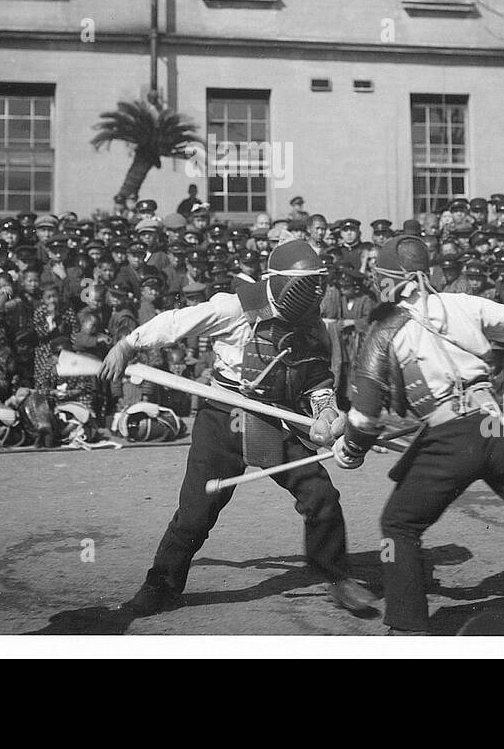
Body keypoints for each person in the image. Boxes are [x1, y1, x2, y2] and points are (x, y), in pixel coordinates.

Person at [99, 239, 376, 618]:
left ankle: (336, 574)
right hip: (221, 418)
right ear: (278, 281)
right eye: (304, 283)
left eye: (316, 283)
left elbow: (317, 381)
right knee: (195, 514)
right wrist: (128, 344)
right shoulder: (234, 308)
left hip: (274, 419)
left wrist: (326, 412)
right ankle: (159, 586)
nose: (311, 292)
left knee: (321, 496)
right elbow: (176, 322)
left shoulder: (313, 327)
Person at [331, 236, 504, 634]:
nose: (375, 283)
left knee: (399, 525)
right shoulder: (465, 304)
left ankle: (408, 628)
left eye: (379, 276)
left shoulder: (382, 332)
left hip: (451, 440)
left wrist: (349, 450)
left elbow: (363, 420)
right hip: (496, 428)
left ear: (394, 279)